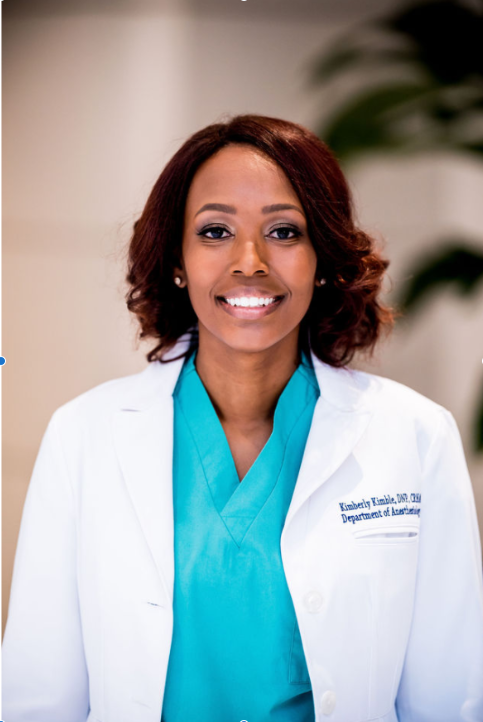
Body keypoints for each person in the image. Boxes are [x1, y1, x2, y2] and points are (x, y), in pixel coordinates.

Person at [2, 114, 483, 722]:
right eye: (214, 231)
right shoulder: (84, 436)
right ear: (177, 259)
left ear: (323, 259)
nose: (250, 261)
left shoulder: (416, 438)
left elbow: (450, 698)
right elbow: (39, 698)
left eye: (284, 231)